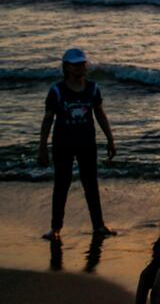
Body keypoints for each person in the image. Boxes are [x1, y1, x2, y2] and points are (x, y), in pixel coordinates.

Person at [39, 48, 117, 242]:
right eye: (75, 64)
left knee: (91, 185)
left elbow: (99, 113)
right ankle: (55, 228)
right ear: (66, 67)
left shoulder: (93, 88)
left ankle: (98, 226)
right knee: (61, 186)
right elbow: (48, 119)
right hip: (62, 145)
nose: (80, 67)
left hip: (87, 144)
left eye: (82, 63)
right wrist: (42, 146)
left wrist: (110, 138)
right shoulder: (57, 91)